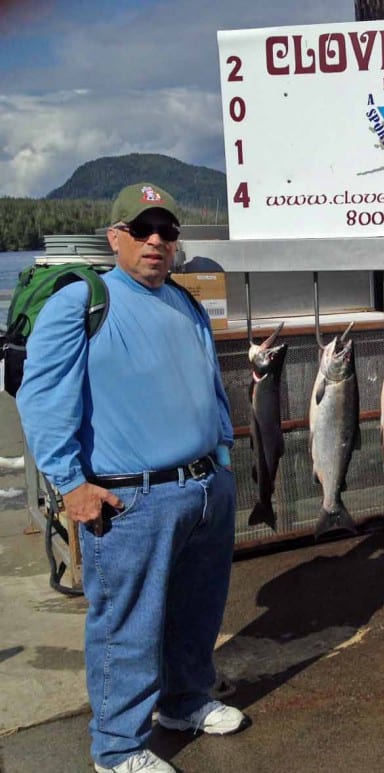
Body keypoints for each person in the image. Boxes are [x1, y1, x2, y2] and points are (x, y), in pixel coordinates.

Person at [16, 182, 246, 773]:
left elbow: (213, 387)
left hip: (203, 491)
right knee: (127, 627)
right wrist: (71, 485)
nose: (155, 241)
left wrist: (221, 460)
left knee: (197, 612)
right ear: (114, 236)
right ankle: (116, 748)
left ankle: (185, 703)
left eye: (166, 231)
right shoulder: (83, 301)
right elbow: (42, 399)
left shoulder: (185, 302)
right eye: (142, 229)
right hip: (131, 499)